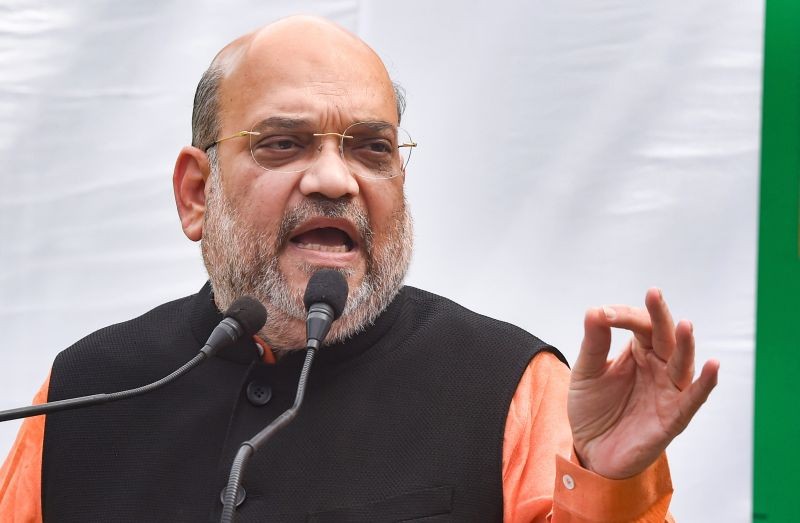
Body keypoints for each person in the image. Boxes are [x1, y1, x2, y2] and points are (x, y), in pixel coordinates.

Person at [0, 15, 718, 522]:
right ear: (197, 193)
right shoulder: (83, 393)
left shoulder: (515, 388)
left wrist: (610, 486)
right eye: (284, 143)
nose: (336, 180)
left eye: (372, 149)